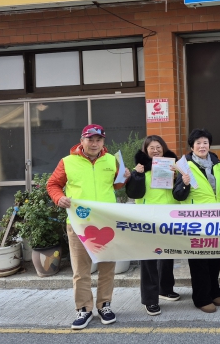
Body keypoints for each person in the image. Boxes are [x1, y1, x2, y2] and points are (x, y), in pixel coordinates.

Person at [47, 124, 130, 330]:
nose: (94, 144)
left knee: (107, 267)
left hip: (106, 222)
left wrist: (124, 177)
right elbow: (53, 184)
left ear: (103, 142)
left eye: (98, 140)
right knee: (80, 270)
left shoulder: (111, 160)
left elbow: (116, 185)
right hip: (79, 223)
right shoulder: (67, 162)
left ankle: (104, 305)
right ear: (82, 141)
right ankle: (83, 309)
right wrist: (59, 198)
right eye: (90, 139)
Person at [125, 135, 181, 317]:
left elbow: (180, 191)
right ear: (146, 150)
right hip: (148, 218)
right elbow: (133, 193)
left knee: (167, 255)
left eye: (158, 147)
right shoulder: (141, 168)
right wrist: (137, 175)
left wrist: (177, 176)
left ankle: (165, 289)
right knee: (149, 259)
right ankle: (150, 299)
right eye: (152, 148)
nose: (155, 150)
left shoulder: (173, 166)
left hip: (169, 216)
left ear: (163, 148)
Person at [172, 128, 220, 313]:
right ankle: (201, 298)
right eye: (198, 143)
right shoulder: (185, 165)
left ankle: (214, 291)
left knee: (215, 258)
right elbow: (178, 195)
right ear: (192, 146)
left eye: (205, 143)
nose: (202, 146)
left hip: (216, 219)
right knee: (199, 261)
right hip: (196, 221)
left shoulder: (216, 163)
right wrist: (185, 184)